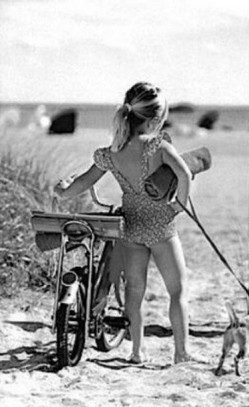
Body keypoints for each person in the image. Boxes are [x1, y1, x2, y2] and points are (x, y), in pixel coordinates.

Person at [54, 82, 192, 364]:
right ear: (155, 119)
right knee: (177, 291)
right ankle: (181, 353)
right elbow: (185, 174)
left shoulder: (111, 153)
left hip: (131, 227)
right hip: (162, 227)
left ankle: (137, 351)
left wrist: (62, 191)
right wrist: (179, 205)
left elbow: (84, 182)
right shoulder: (158, 146)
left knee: (134, 291)